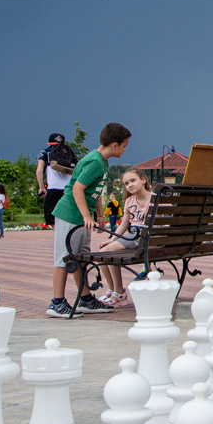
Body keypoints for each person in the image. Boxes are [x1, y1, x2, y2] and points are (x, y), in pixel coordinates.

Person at [47, 122, 131, 318]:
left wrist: (99, 215)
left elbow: (96, 191)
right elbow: (77, 188)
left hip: (81, 216)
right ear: (114, 145)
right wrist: (86, 215)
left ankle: (85, 298)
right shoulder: (94, 161)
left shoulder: (102, 161)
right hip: (70, 214)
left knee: (80, 257)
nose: (125, 149)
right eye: (124, 145)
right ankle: (57, 302)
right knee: (64, 258)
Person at [95, 168, 154, 307]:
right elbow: (123, 225)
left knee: (108, 252)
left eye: (133, 181)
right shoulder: (129, 200)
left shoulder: (155, 198)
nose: (130, 185)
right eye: (126, 183)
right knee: (102, 253)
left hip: (145, 237)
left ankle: (119, 292)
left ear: (143, 180)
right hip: (134, 236)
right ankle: (113, 290)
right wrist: (111, 240)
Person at [36, 132, 75, 226]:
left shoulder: (45, 152)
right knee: (68, 216)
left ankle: (58, 234)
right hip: (69, 189)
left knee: (50, 216)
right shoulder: (68, 152)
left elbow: (39, 170)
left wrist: (41, 187)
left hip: (54, 188)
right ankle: (68, 234)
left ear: (49, 143)